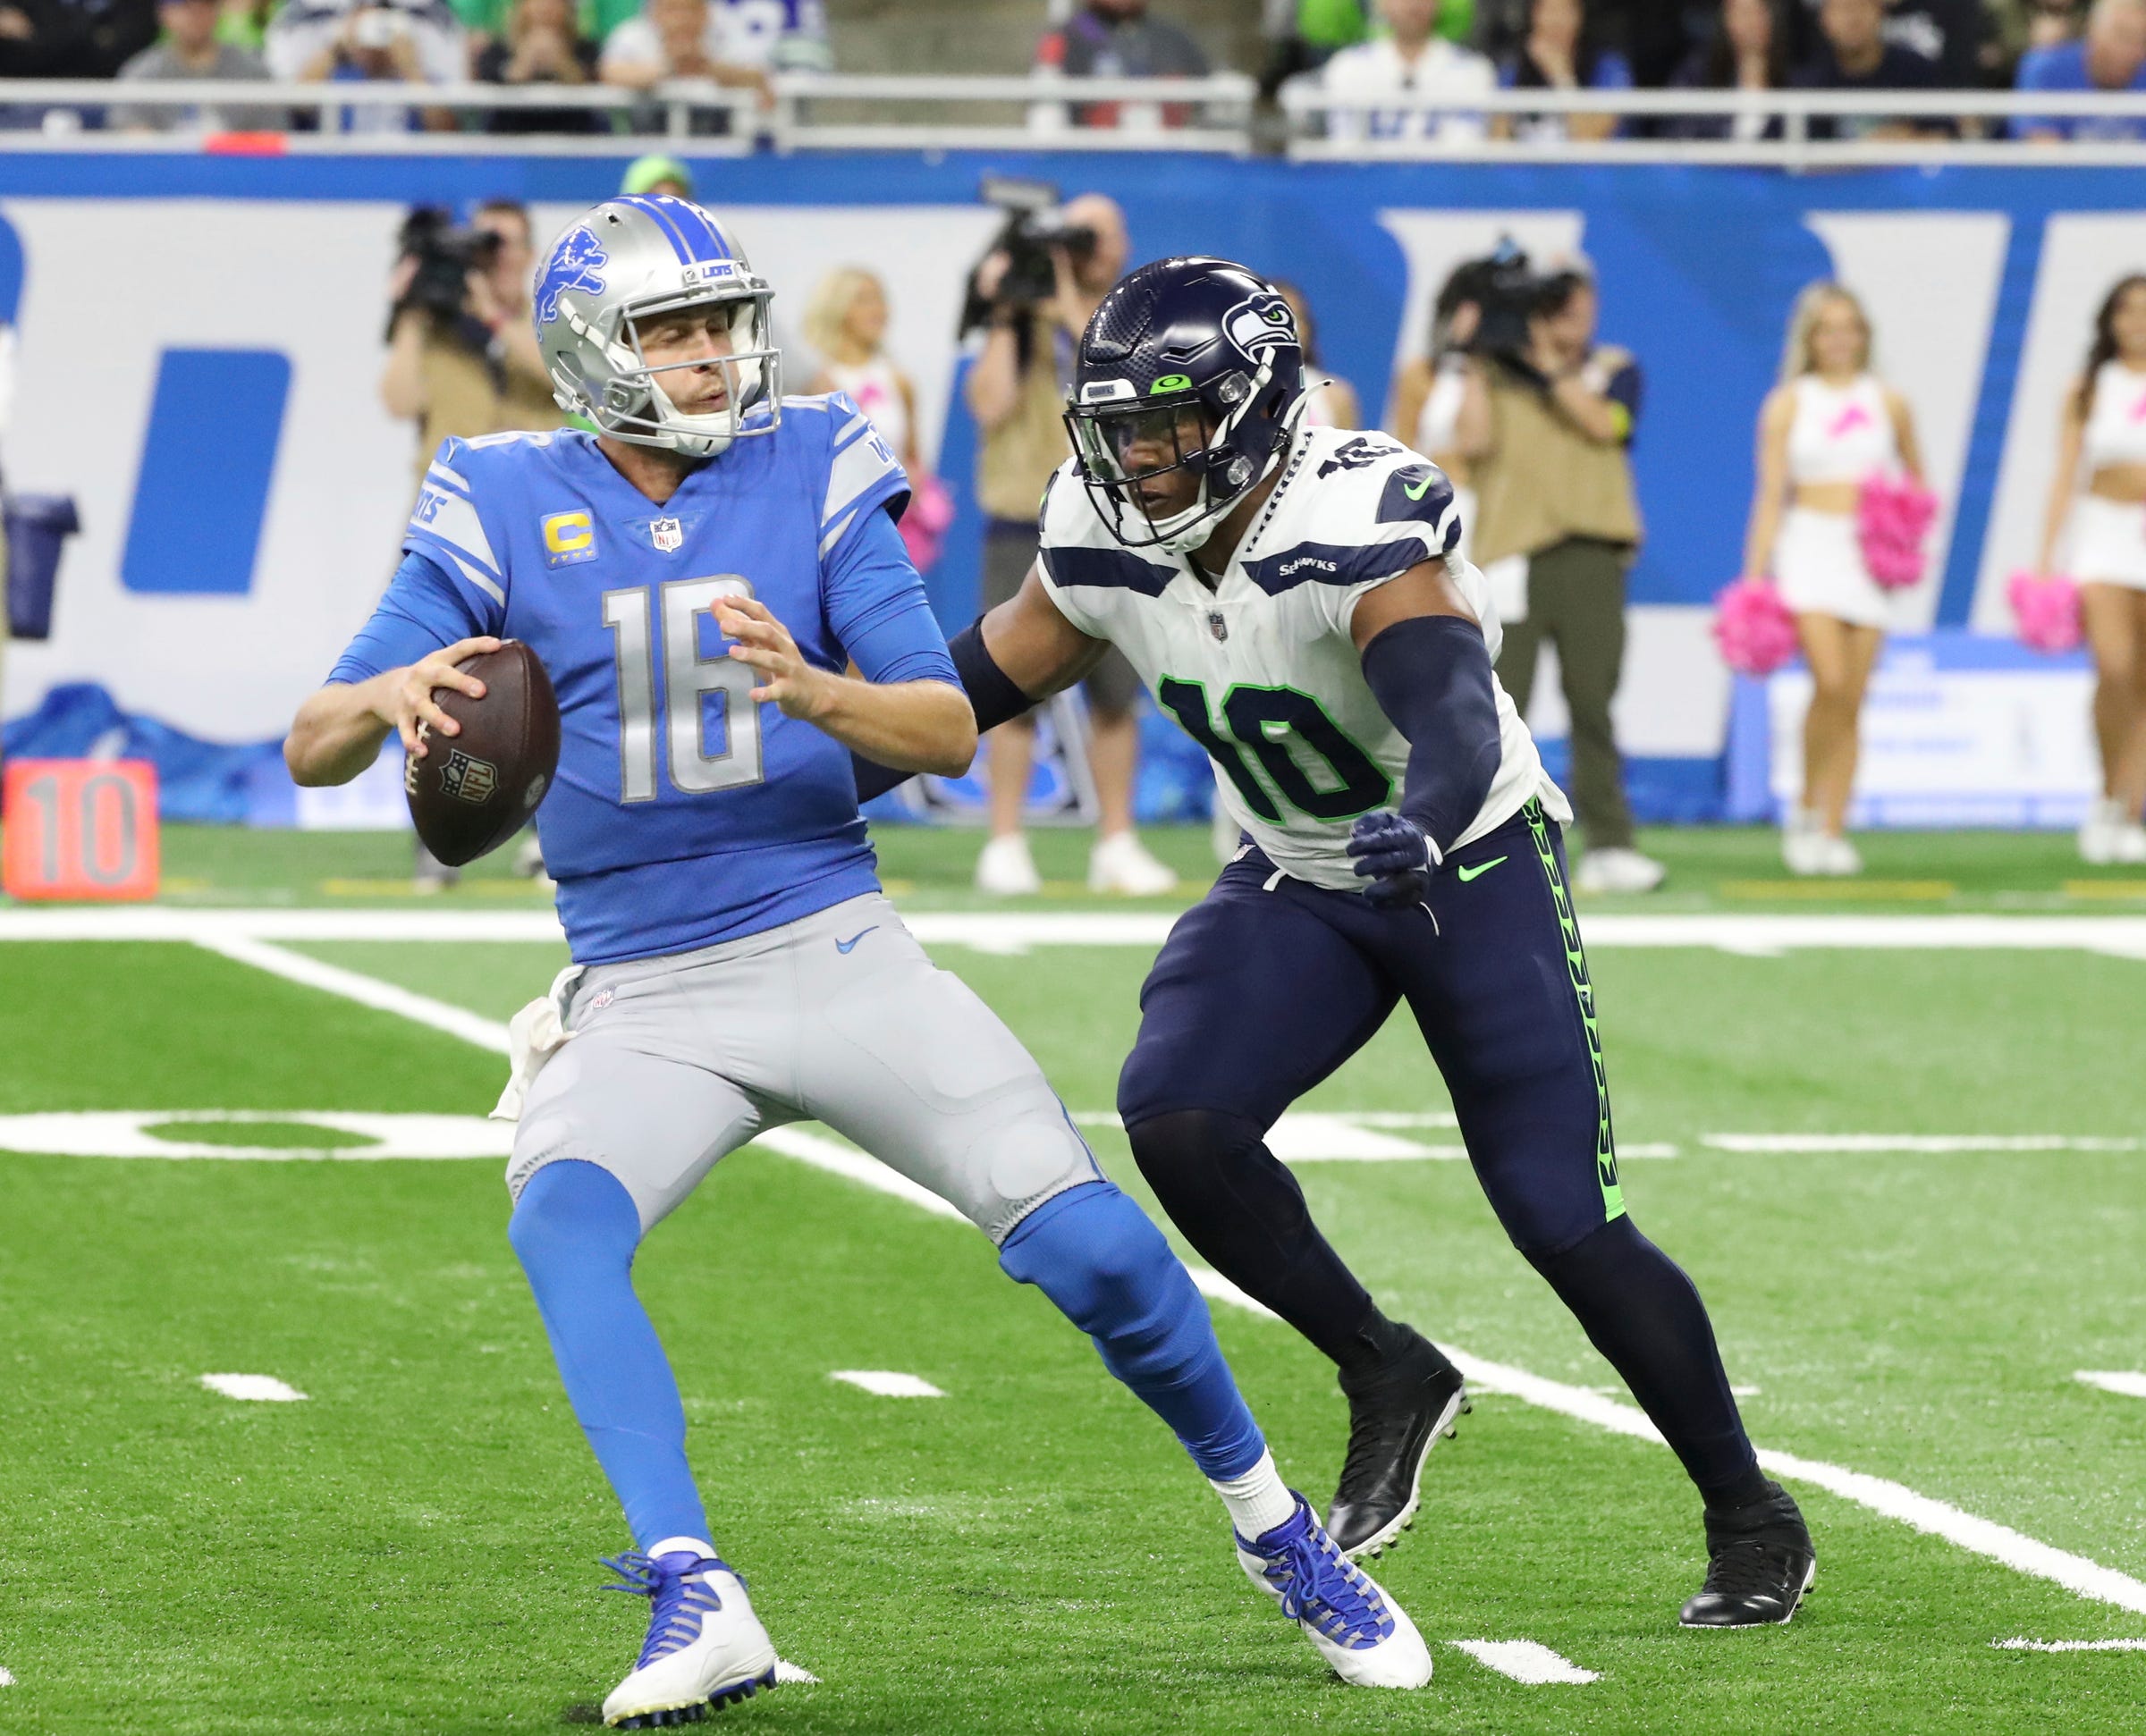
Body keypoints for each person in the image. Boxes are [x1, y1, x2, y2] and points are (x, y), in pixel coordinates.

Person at [283, 196, 1432, 1719]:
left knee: (1090, 1248)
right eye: (673, 332)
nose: (710, 356)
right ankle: (696, 1591)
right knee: (562, 1224)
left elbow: (947, 722)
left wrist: (819, 693)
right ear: (593, 351)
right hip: (641, 987)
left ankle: (1280, 1532)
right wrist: (395, 695)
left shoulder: (814, 457)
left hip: (830, 939)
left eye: (718, 323)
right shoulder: (493, 488)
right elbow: (310, 743)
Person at [857, 256, 1815, 1631]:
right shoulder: (1108, 522)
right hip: (1298, 870)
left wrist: (1423, 822)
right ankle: (1386, 1369)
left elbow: (1451, 707)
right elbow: (987, 678)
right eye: (1121, 423)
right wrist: (814, 767)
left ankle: (1749, 1509)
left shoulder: (1354, 503)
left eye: (1169, 422)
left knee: (1561, 1217)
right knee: (1178, 1114)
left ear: (1250, 410)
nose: (1139, 452)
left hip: (1460, 862)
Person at [964, 192, 1176, 897]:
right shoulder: (1020, 323)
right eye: (1079, 233)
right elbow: (989, 406)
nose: (1088, 247)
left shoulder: (1134, 315)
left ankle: (1115, 841)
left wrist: (1059, 299)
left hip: (1112, 518)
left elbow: (1132, 381)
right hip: (1022, 519)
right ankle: (1004, 842)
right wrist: (1004, 312)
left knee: (1116, 694)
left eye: (1101, 234)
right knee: (1009, 688)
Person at [1456, 263, 1666, 895]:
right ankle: (1481, 840)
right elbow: (1472, 443)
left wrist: (1546, 363)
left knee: (1592, 701)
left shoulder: (1615, 368)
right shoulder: (1494, 371)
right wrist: (1474, 358)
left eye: (1573, 304)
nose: (1565, 316)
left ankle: (1609, 844)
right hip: (1512, 555)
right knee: (1498, 705)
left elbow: (1607, 426)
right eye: (1550, 307)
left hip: (1590, 555)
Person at [379, 199, 568, 888]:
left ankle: (552, 837)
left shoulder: (553, 323)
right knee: (432, 675)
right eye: (482, 246)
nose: (493, 258)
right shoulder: (442, 331)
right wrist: (410, 316)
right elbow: (398, 401)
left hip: (541, 519)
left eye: (505, 245)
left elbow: (560, 382)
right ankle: (437, 832)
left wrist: (494, 313)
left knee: (557, 676)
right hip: (447, 523)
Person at [1741, 282, 1925, 876]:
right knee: (1830, 677)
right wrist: (1755, 577)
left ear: (1863, 336)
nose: (1839, 339)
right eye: (1827, 328)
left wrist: (1899, 531)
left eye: (1849, 327)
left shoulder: (1888, 401)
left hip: (1866, 557)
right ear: (1810, 338)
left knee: (1853, 697)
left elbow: (1917, 481)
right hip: (1808, 548)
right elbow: (1772, 494)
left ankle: (1834, 825)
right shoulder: (1790, 402)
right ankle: (1804, 806)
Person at [2034, 274, 2146, 864]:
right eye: (2127, 311)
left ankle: (2133, 809)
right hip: (2105, 534)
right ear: (2110, 320)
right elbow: (2065, 476)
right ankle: (2107, 792)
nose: (2138, 322)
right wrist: (2046, 558)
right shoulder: (2089, 387)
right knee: (2116, 667)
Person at [266, 0, 467, 133]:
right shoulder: (305, 13)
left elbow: (450, 131)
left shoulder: (432, 16)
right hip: (328, 170)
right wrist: (337, 49)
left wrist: (411, 70)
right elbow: (286, 115)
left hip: (414, 171)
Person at [1314, 0, 1498, 144]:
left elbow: (1465, 151)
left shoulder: (1472, 71)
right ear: (1381, 4)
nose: (1414, 4)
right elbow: (1345, 149)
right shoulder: (1348, 67)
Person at [802, 265, 922, 476]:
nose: (879, 310)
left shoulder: (899, 380)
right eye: (864, 300)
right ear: (837, 308)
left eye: (880, 299)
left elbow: (914, 459)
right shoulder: (816, 382)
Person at [1034, 0, 1212, 131]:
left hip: (1171, 160)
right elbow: (1049, 113)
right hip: (1093, 160)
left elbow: (1208, 100)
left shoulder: (1173, 38)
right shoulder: (1066, 39)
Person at [112, 0, 282, 131]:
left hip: (237, 171)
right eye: (184, 4)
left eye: (206, 3)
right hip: (165, 173)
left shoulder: (253, 71)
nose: (196, 13)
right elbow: (130, 137)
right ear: (163, 12)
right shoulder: (141, 73)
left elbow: (272, 135)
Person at [1790, 0, 1945, 139]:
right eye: (1842, 9)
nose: (1853, 18)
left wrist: (1907, 140)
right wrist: (1858, 156)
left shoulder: (1916, 71)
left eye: (1862, 6)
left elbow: (1946, 138)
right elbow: (1780, 156)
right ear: (1823, 19)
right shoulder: (1807, 84)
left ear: (1882, 12)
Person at [1493, 0, 1633, 143]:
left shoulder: (1609, 68)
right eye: (1549, 10)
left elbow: (1590, 140)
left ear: (1580, 15)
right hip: (1528, 164)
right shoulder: (1513, 70)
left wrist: (1561, 76)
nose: (1556, 21)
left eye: (1565, 10)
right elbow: (1497, 145)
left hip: (1584, 165)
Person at [2014, 0, 2146, 139]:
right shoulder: (2045, 68)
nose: (2132, 50)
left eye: (2142, 40)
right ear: (2093, 30)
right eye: (2123, 35)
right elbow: (2039, 148)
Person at [1666, 0, 1789, 139]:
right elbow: (1678, 134)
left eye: (1759, 11)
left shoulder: (1796, 80)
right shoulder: (1696, 75)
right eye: (1742, 13)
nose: (1751, 22)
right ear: (1725, 19)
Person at [475, 0, 603, 134]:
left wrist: (562, 63)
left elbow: (593, 78)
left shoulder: (586, 49)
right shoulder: (498, 50)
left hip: (575, 136)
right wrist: (522, 65)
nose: (545, 7)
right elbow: (488, 80)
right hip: (509, 135)